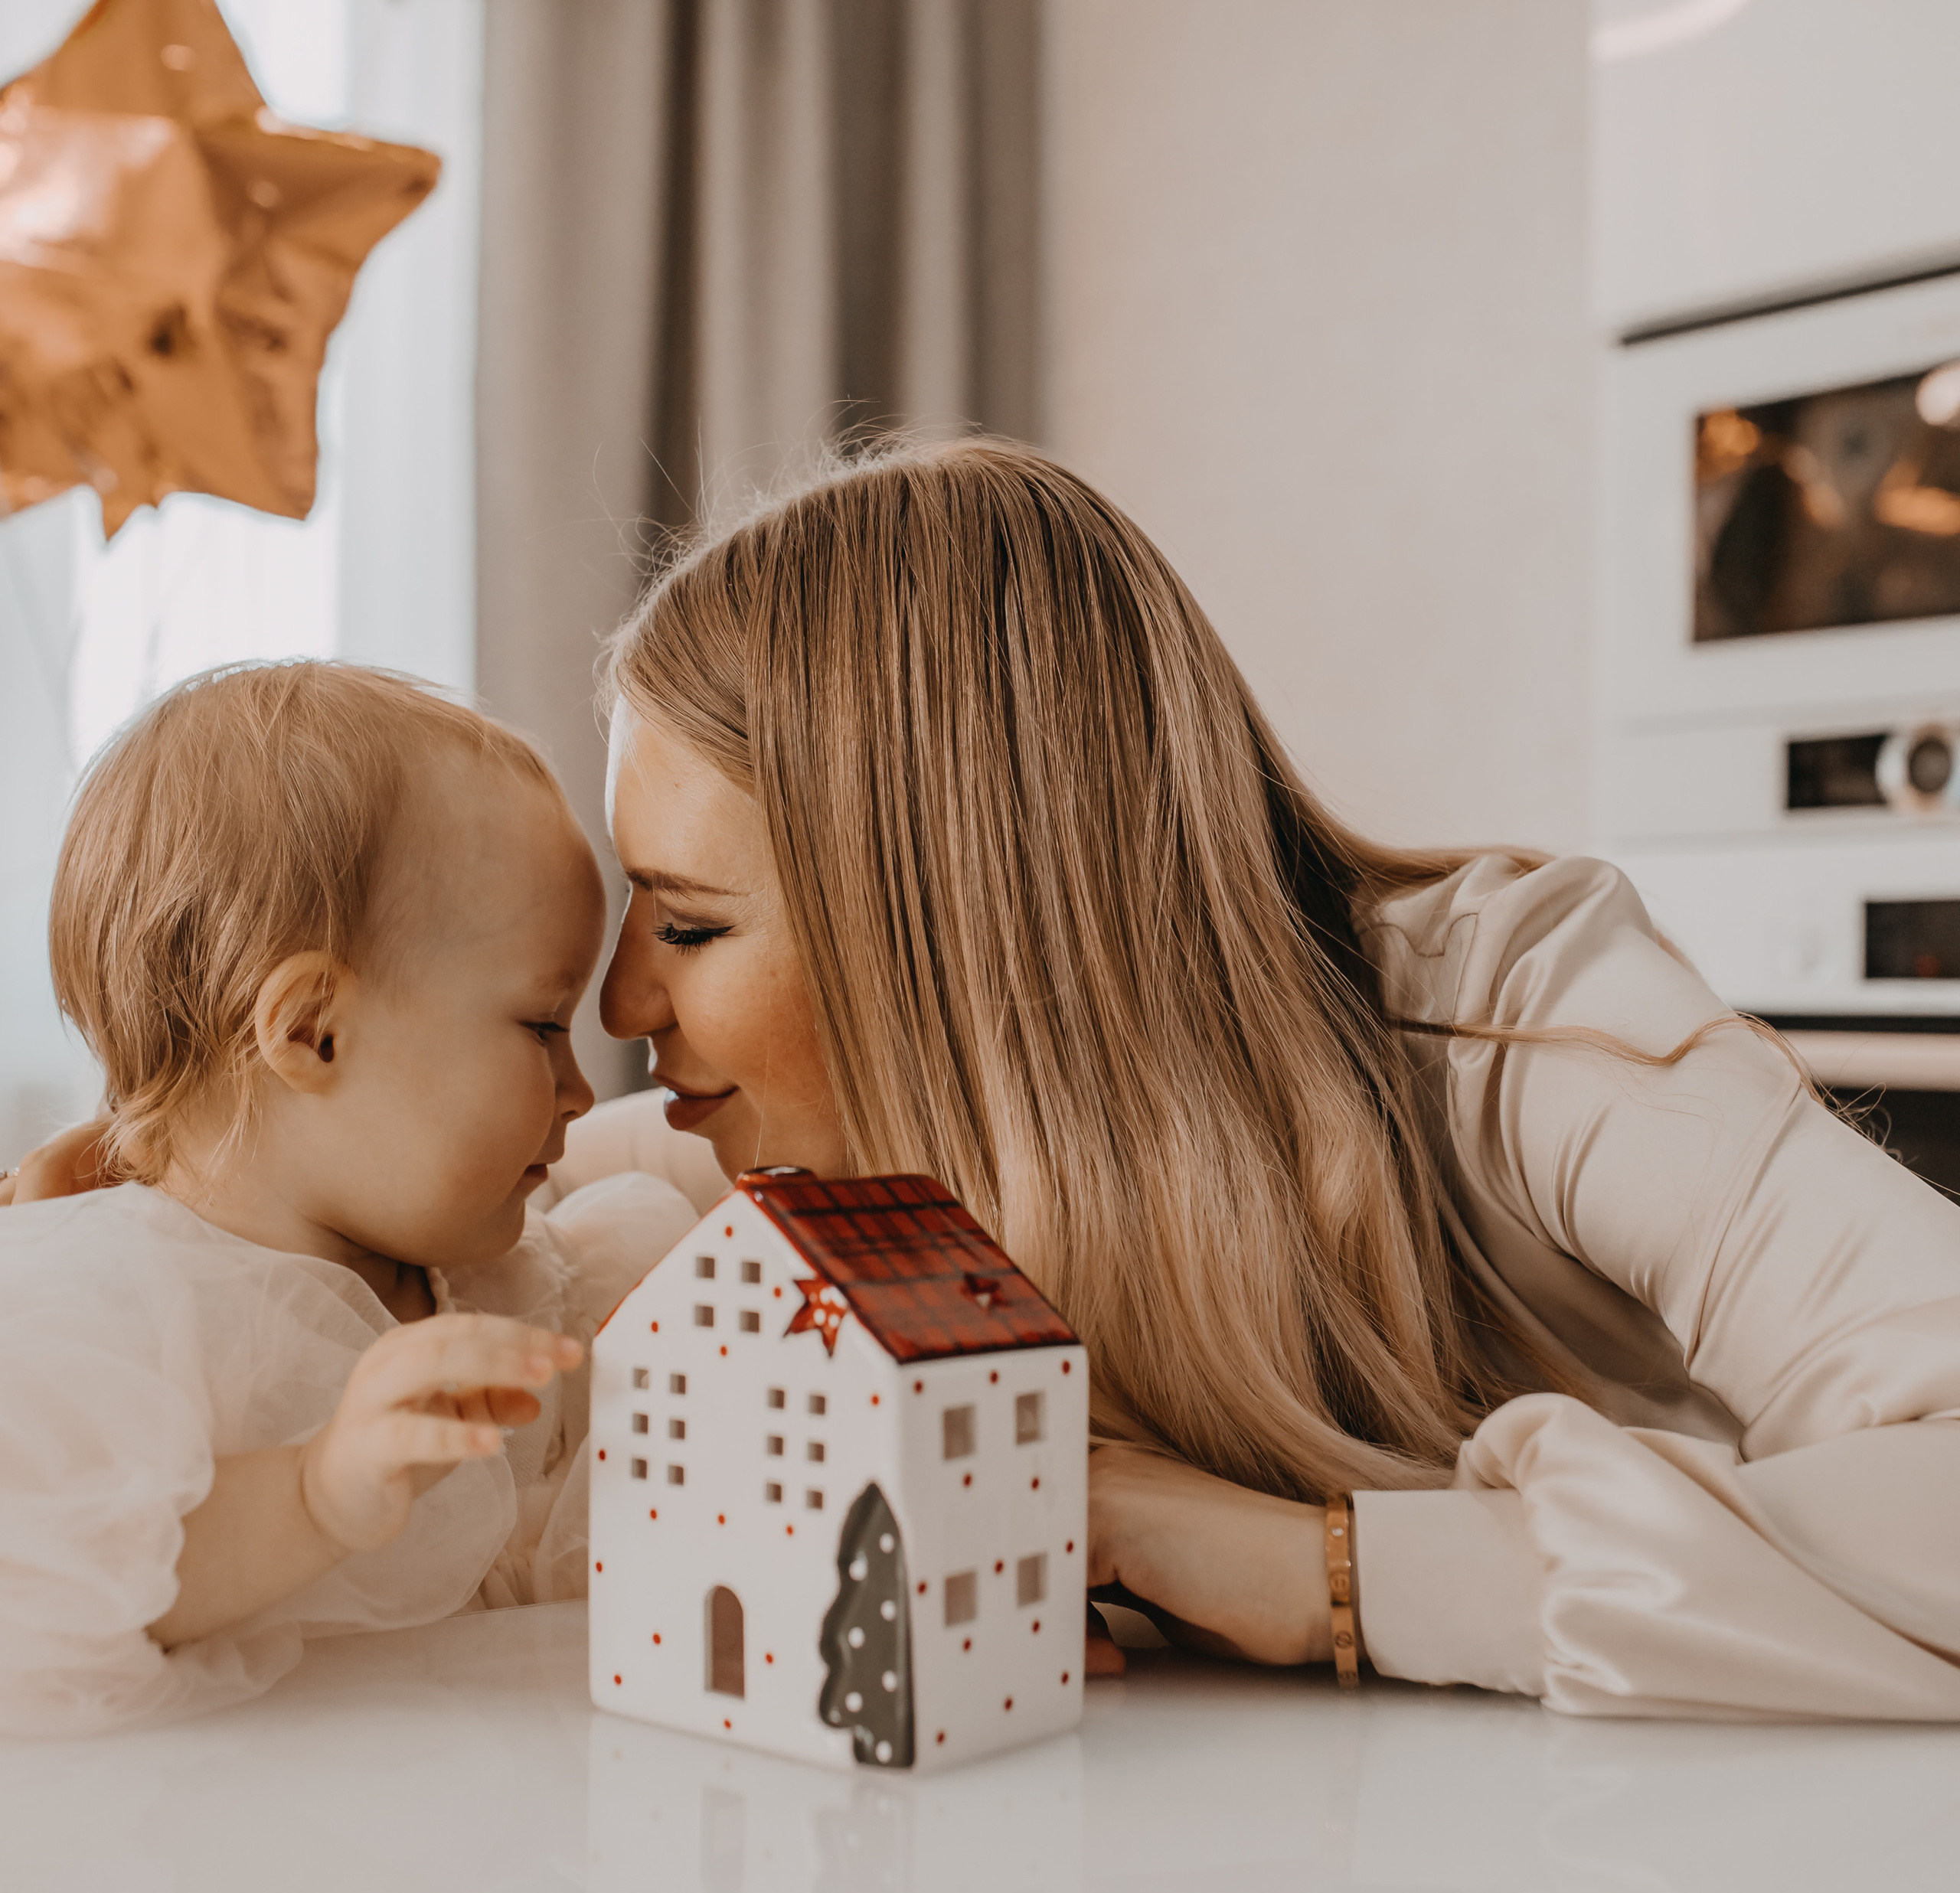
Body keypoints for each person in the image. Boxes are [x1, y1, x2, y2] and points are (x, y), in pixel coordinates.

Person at [578, 438, 1960, 1718]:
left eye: (689, 925)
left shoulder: (1512, 1027)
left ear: (950, 929)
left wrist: (1334, 1575)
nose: (620, 1004)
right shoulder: (769, 1144)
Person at [0, 664, 694, 1736]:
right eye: (542, 1026)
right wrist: (316, 1494)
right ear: (313, 1031)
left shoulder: (507, 1267)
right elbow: (74, 1578)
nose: (579, 1089)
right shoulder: (128, 1311)